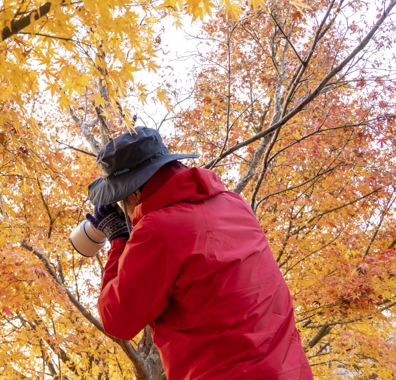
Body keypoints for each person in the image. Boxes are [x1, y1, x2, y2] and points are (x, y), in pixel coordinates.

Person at [86, 127, 312, 379]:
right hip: (289, 370)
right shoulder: (235, 203)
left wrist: (118, 239)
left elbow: (118, 320)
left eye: (120, 199)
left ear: (135, 191)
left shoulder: (158, 230)